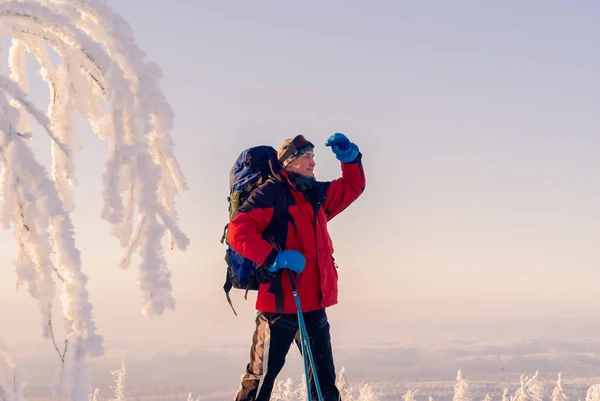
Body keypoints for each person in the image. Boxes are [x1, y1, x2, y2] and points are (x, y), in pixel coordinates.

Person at [228, 132, 366, 401]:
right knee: (260, 379)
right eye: (305, 156)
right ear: (288, 161)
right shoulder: (271, 193)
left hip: (314, 302)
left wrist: (350, 158)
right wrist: (274, 258)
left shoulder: (315, 194)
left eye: (313, 156)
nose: (312, 162)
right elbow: (238, 232)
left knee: (324, 380)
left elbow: (352, 187)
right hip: (278, 305)